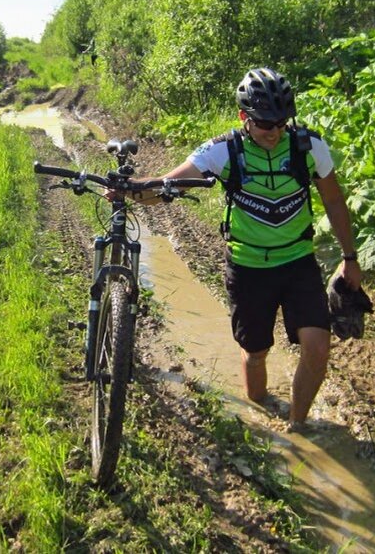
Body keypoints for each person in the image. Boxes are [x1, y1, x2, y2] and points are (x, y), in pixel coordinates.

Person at [126, 67, 361, 431]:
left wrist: (350, 259)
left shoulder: (308, 146)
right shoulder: (223, 151)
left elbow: (334, 200)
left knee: (317, 347)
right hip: (248, 268)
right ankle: (261, 406)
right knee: (255, 354)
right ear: (244, 117)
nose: (275, 132)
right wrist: (129, 190)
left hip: (299, 262)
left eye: (282, 122)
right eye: (266, 123)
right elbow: (169, 186)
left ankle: (297, 428)